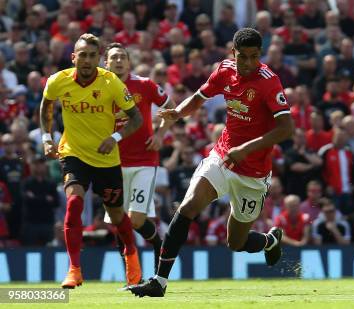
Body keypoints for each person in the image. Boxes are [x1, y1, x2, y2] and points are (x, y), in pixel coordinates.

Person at [128, 28, 294, 297]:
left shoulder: (269, 81)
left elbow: (287, 128)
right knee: (188, 206)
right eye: (243, 57)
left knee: (236, 242)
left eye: (254, 57)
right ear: (233, 53)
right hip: (223, 155)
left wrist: (247, 148)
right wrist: (177, 113)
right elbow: (200, 97)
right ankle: (159, 281)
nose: (248, 63)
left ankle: (269, 241)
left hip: (253, 173)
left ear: (260, 55)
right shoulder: (225, 70)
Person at [39, 33, 144, 288]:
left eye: (91, 56)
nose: (86, 60)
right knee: (74, 202)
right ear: (73, 57)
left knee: (117, 215)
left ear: (99, 59)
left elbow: (137, 119)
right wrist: (46, 137)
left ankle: (131, 255)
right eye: (82, 55)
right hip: (73, 153)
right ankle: (74, 269)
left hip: (106, 159)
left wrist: (115, 136)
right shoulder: (58, 81)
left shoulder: (111, 83)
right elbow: (46, 108)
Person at [103, 42, 176, 277]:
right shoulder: (100, 89)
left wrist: (161, 134)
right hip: (112, 162)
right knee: (118, 221)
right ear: (106, 63)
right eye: (113, 57)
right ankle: (131, 276)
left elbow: (171, 108)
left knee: (135, 220)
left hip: (144, 160)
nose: (118, 61)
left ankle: (157, 244)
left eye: (122, 57)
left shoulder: (144, 85)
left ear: (128, 61)